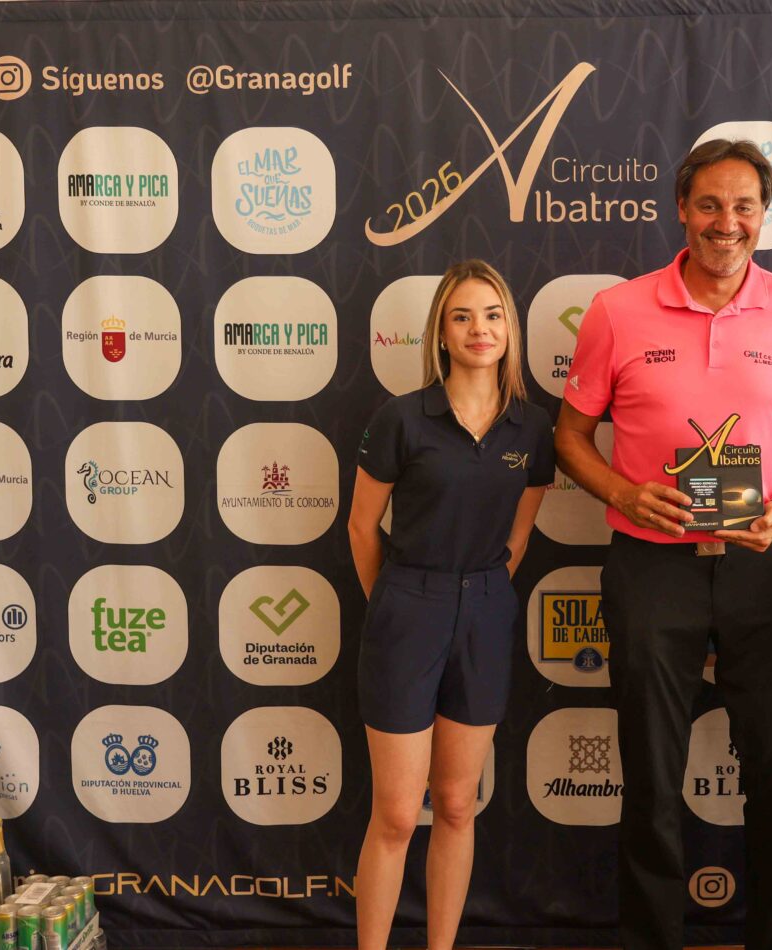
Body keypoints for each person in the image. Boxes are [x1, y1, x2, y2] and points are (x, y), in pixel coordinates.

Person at [554, 138, 772, 950]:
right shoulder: (617, 311)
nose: (727, 222)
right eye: (710, 204)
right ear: (681, 209)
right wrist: (622, 491)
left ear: (764, 214)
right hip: (651, 566)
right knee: (651, 778)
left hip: (765, 566)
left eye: (744, 206)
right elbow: (569, 437)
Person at [347, 259, 554, 950]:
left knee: (459, 805)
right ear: (441, 331)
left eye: (492, 315)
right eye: (462, 316)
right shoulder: (402, 418)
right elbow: (361, 527)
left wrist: (480, 596)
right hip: (408, 606)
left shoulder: (532, 428)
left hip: (486, 610)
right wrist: (399, 605)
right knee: (397, 813)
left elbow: (519, 534)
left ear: (510, 328)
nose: (479, 329)